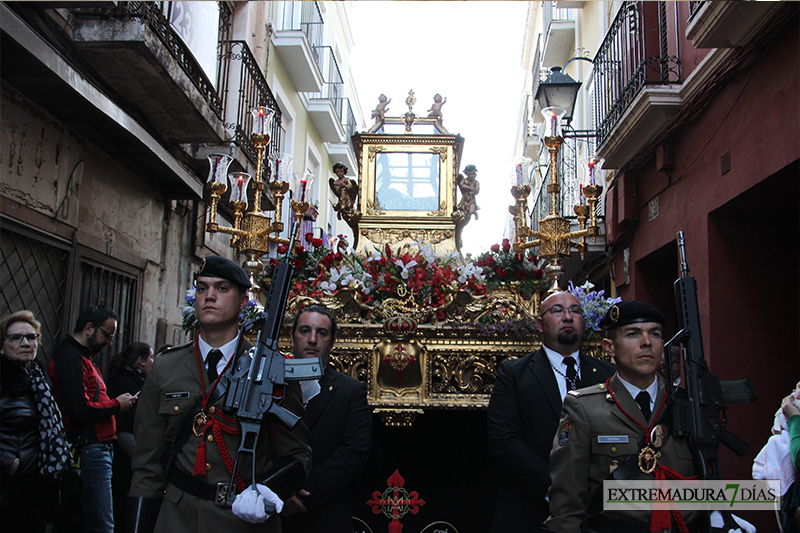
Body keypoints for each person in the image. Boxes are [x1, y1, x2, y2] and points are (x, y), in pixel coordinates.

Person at [128, 256, 312, 533]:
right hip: (177, 518)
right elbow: (147, 464)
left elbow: (300, 455)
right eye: (202, 288)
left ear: (242, 301)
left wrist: (264, 492)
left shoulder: (273, 369)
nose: (209, 296)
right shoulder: (166, 367)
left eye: (222, 288)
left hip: (243, 519)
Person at [546, 300, 698, 533]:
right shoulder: (585, 408)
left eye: (655, 334)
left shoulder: (686, 403)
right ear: (609, 347)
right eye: (633, 334)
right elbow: (567, 501)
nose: (646, 342)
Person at [486, 291, 615, 531]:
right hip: (532, 508)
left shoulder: (608, 375)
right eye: (557, 310)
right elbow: (504, 441)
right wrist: (557, 488)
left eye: (575, 311)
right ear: (540, 324)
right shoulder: (514, 374)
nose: (568, 316)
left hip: (599, 511)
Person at [282, 306, 372, 533]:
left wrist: (301, 494)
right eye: (305, 331)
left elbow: (354, 451)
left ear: (332, 343)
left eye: (321, 333)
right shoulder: (269, 385)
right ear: (291, 339)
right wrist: (277, 491)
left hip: (325, 514)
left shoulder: (350, 391)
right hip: (271, 512)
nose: (312, 339)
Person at [48, 305, 136, 533]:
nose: (109, 341)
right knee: (100, 524)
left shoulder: (83, 357)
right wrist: (116, 404)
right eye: (107, 335)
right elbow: (79, 409)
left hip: (98, 448)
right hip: (89, 447)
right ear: (88, 328)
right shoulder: (69, 357)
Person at [1, 310, 71, 532]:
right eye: (16, 337)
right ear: (2, 345)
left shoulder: (37, 380)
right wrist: (10, 462)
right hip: (8, 485)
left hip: (38, 484)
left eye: (32, 337)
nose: (26, 343)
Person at [107, 342, 153, 533]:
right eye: (150, 357)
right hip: (126, 458)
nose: (153, 362)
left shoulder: (138, 379)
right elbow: (124, 425)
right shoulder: (127, 382)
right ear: (141, 361)